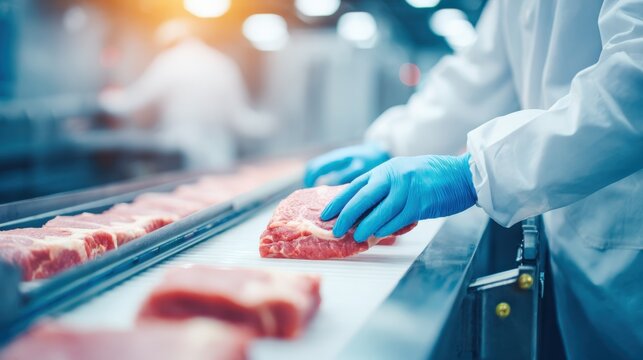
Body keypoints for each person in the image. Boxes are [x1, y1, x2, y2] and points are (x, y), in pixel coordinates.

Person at [304, 0, 642, 358]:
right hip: (578, 243)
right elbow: (482, 73)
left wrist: (472, 174)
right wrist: (393, 143)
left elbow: (633, 78)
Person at [99, 19, 274, 170]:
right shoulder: (222, 63)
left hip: (180, 149)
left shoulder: (171, 60)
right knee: (213, 199)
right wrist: (267, 124)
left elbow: (134, 101)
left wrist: (107, 101)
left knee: (182, 200)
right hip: (218, 153)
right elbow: (238, 117)